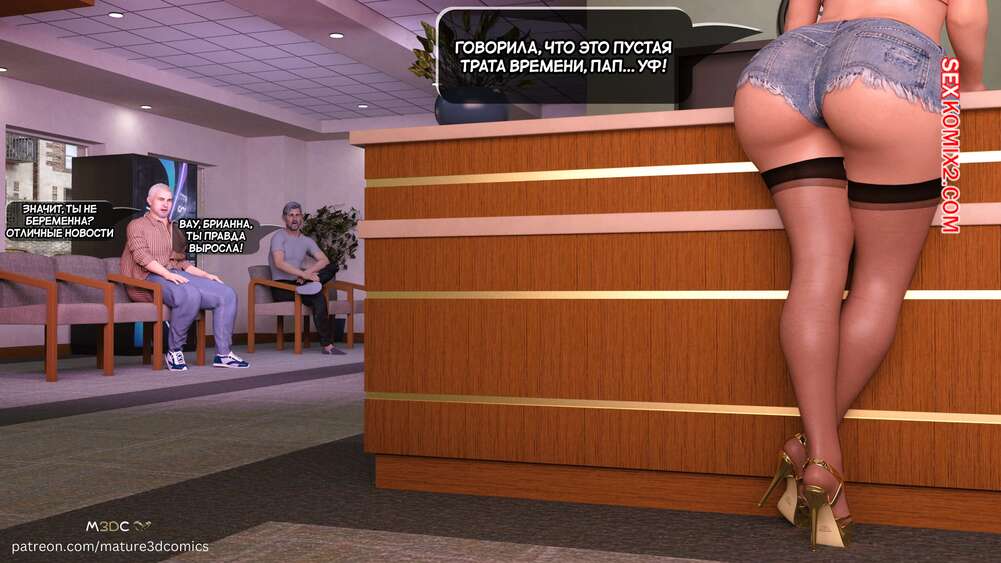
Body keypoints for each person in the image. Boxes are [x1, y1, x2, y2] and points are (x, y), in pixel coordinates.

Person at [733, 0, 987, 550]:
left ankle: (817, 452)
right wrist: (968, 87)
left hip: (780, 71)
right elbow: (967, 20)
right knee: (878, 281)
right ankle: (816, 459)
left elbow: (796, 23)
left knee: (815, 270)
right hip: (888, 68)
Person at [122, 184, 249, 371]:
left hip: (173, 275)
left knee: (226, 294)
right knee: (189, 294)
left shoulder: (174, 228)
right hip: (146, 279)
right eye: (160, 199)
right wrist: (167, 274)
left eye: (169, 200)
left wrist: (206, 275)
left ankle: (223, 354)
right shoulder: (136, 225)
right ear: (149, 201)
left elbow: (181, 262)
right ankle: (174, 351)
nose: (165, 204)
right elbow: (142, 257)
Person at [268, 201, 344, 355]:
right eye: (291, 215)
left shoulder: (306, 241)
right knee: (318, 293)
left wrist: (307, 273)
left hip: (301, 284)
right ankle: (328, 345)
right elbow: (279, 263)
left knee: (332, 267)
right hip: (282, 287)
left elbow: (324, 260)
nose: (294, 219)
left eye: (297, 215)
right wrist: (303, 274)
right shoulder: (278, 237)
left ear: (301, 217)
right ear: (284, 218)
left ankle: (327, 346)